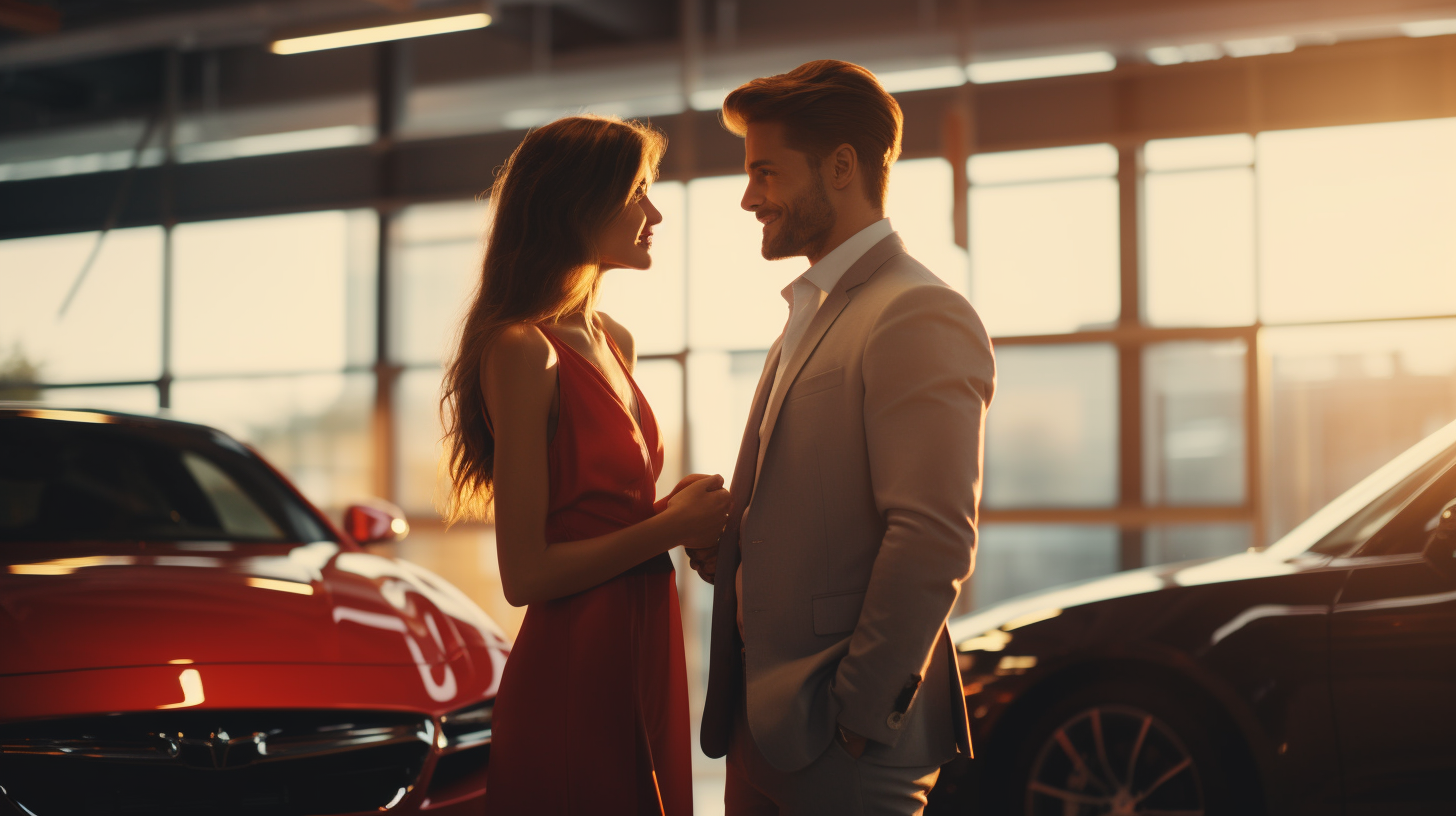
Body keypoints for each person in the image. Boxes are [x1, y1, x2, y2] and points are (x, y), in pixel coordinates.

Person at [689, 61, 997, 815]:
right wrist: (735, 544)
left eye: (766, 172)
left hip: (840, 740)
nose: (748, 196)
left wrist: (858, 716)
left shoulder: (916, 311)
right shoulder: (812, 310)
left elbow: (931, 537)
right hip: (767, 726)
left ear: (841, 166)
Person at [440, 114, 731, 816]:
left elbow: (596, 516)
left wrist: (674, 515)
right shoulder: (521, 349)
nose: (655, 211)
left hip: (644, 638)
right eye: (637, 191)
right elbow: (528, 572)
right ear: (577, 203)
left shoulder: (613, 339)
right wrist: (667, 529)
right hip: (577, 660)